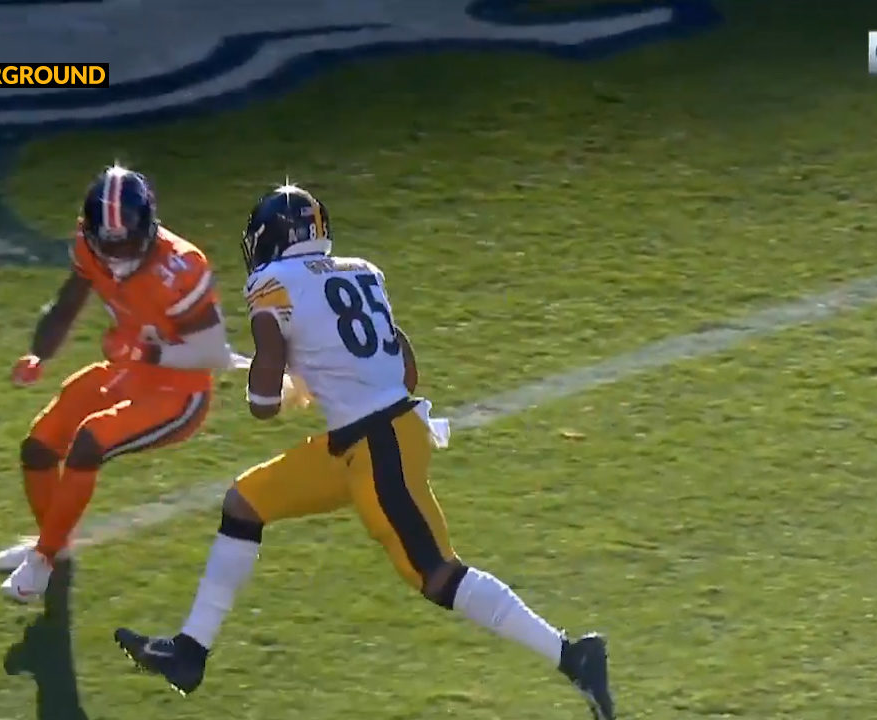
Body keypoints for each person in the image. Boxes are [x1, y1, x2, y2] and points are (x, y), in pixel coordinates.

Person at [112, 184, 615, 719]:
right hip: (364, 438)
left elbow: (262, 397)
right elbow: (406, 369)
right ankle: (190, 651)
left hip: (378, 445)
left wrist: (275, 390)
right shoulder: (362, 272)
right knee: (244, 502)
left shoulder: (272, 282)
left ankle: (572, 655)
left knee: (436, 575)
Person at [0, 164, 232, 603]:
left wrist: (150, 353)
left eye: (125, 241)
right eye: (108, 242)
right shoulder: (91, 248)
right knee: (40, 445)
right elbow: (68, 302)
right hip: (132, 374)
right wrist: (40, 354)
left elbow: (213, 354)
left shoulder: (180, 267)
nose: (116, 252)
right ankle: (55, 545)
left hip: (180, 392)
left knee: (90, 441)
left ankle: (42, 559)